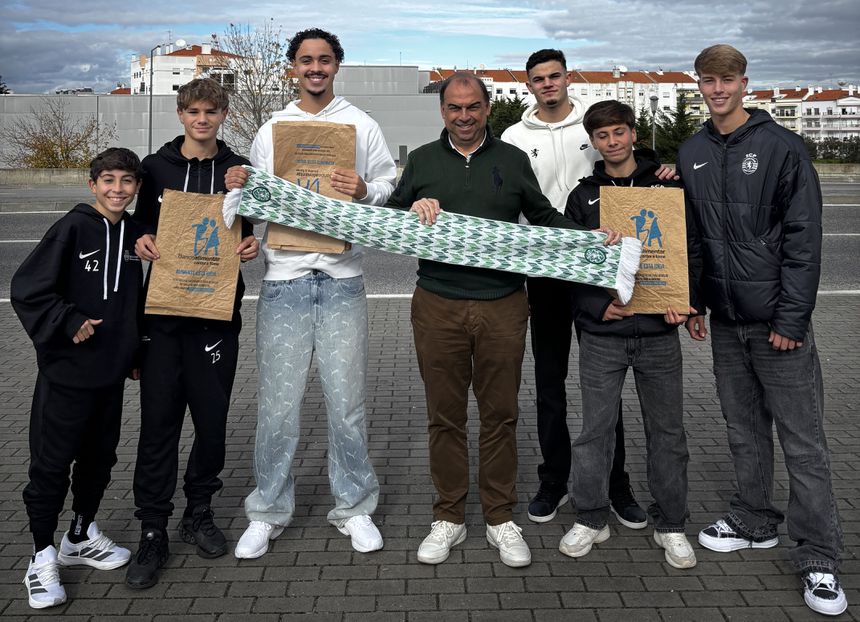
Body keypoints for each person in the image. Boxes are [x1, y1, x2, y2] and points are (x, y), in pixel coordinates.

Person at [386, 72, 620, 568]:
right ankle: (447, 516)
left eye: (473, 107)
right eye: (454, 108)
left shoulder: (513, 160)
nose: (464, 116)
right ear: (442, 111)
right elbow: (389, 216)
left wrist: (589, 237)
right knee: (444, 418)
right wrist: (413, 207)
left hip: (504, 304)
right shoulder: (423, 160)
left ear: (488, 108)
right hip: (437, 303)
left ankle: (499, 517)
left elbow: (543, 217)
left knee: (500, 416)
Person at [679, 44, 846, 616]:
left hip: (779, 326)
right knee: (744, 430)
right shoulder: (694, 148)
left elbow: (804, 242)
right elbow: (696, 239)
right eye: (708, 80)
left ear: (745, 83)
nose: (717, 89)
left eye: (727, 80)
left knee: (803, 442)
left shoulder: (783, 148)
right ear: (698, 84)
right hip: (727, 323)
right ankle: (753, 520)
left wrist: (792, 319)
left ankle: (819, 556)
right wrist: (696, 302)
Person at [224, 28, 396, 559]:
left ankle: (355, 507)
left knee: (345, 405)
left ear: (337, 65)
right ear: (292, 67)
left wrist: (365, 190)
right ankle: (268, 510)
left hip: (343, 280)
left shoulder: (361, 123)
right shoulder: (273, 126)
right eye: (306, 60)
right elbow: (255, 196)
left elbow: (389, 184)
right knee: (278, 407)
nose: (315, 68)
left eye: (324, 60)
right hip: (285, 281)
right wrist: (239, 187)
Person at [501, 48, 646, 527]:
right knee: (550, 383)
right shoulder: (514, 136)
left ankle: (616, 482)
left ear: (567, 78)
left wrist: (662, 169)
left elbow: (629, 164)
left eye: (555, 76)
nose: (548, 84)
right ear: (529, 85)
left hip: (597, 271)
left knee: (606, 382)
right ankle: (554, 479)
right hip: (544, 270)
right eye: (538, 79)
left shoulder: (593, 127)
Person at [126, 78, 259, 589]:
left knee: (211, 421)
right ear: (180, 114)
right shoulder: (154, 168)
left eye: (211, 110)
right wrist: (142, 240)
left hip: (216, 316)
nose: (202, 119)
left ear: (223, 113)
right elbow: (136, 226)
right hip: (162, 317)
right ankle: (153, 529)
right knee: (158, 424)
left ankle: (198, 510)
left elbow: (248, 229)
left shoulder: (240, 170)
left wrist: (250, 246)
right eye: (193, 111)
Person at [559, 100, 701, 568]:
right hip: (604, 335)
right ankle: (591, 517)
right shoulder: (584, 196)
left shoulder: (667, 183)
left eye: (619, 132)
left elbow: (689, 248)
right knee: (594, 433)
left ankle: (673, 524)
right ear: (593, 142)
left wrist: (689, 300)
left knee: (667, 433)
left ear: (633, 134)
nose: (612, 142)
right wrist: (597, 306)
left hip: (660, 332)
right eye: (602, 136)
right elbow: (571, 265)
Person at [11, 148, 144, 609]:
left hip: (109, 377)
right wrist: (68, 320)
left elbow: (131, 301)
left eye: (127, 181)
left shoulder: (132, 234)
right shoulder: (71, 227)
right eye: (108, 180)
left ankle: (80, 535)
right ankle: (41, 554)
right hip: (67, 374)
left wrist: (135, 350)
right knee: (51, 466)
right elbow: (27, 287)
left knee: (99, 461)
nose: (117, 189)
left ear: (136, 188)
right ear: (92, 184)